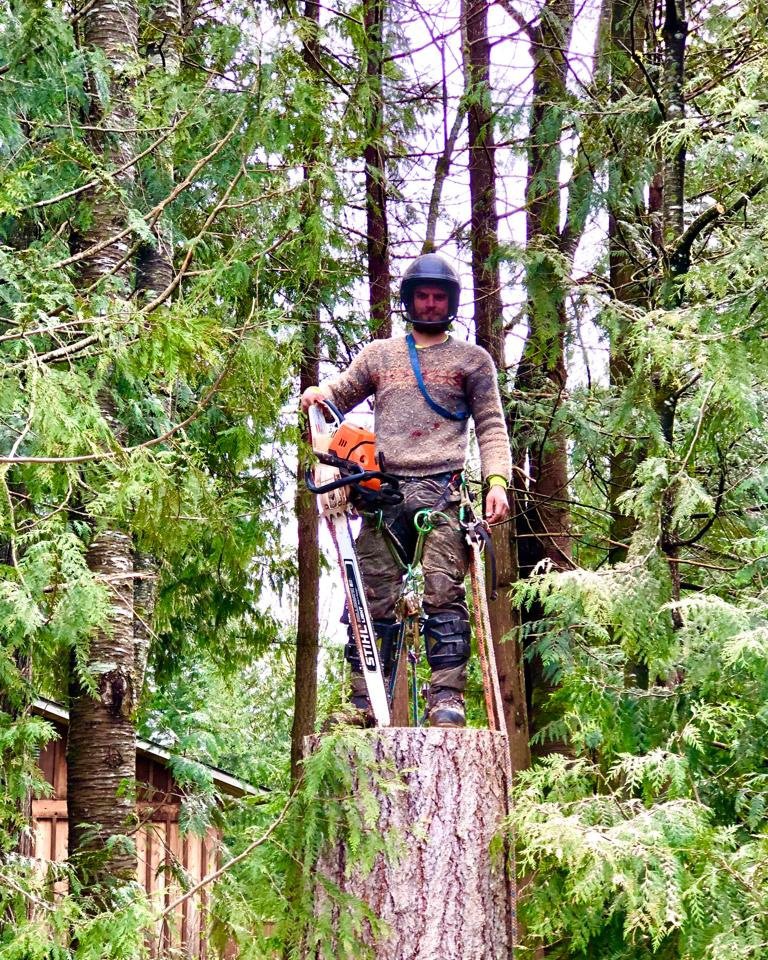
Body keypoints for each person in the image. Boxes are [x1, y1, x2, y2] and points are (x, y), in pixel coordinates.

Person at [301, 253, 511, 727]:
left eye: (439, 297)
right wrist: (321, 393)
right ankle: (362, 702)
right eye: (423, 296)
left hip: (442, 492)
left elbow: (492, 427)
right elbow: (340, 392)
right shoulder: (379, 356)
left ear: (450, 302)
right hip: (382, 494)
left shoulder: (472, 362)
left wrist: (497, 480)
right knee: (370, 595)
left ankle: (446, 699)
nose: (431, 304)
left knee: (443, 593)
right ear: (409, 300)